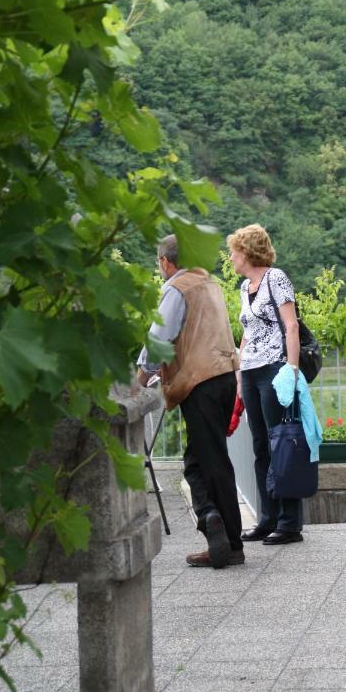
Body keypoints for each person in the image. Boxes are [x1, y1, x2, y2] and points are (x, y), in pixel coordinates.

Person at [137, 234, 243, 569]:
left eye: (159, 264)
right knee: (209, 459)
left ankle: (214, 522)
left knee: (202, 463)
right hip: (225, 376)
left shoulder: (176, 288)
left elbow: (159, 338)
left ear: (165, 262)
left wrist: (139, 380)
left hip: (200, 383)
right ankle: (228, 540)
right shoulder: (209, 282)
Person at [227, 223, 303, 545]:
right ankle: (267, 518)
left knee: (281, 443)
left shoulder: (276, 278)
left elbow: (291, 326)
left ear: (247, 251)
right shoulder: (245, 288)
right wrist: (239, 371)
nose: (230, 257)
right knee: (260, 447)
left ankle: (289, 523)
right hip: (252, 372)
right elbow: (247, 331)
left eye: (233, 251)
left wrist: (292, 369)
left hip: (274, 370)